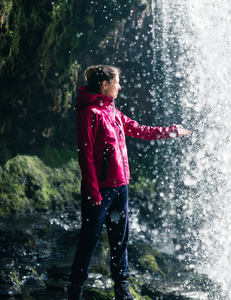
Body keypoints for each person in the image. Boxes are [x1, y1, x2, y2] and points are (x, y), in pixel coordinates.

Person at [68, 65, 191, 300]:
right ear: (104, 85)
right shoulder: (90, 113)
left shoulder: (113, 111)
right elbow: (84, 155)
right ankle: (75, 290)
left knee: (120, 238)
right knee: (89, 239)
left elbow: (140, 130)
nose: (120, 86)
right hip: (99, 190)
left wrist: (171, 131)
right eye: (116, 82)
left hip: (120, 187)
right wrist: (93, 191)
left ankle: (122, 289)